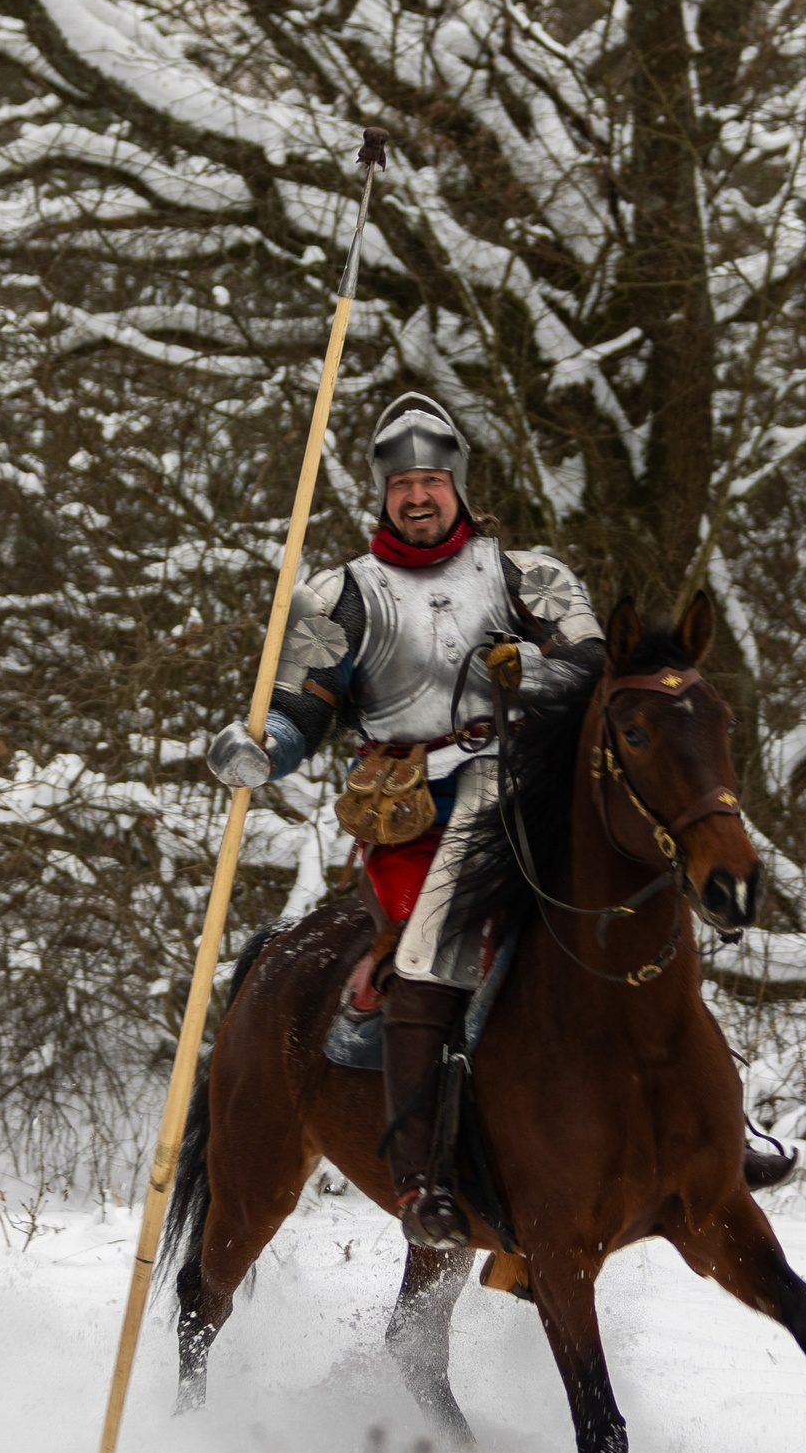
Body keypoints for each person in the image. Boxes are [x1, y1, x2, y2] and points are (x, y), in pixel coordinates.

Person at [208, 395, 604, 1248]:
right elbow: (301, 705)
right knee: (431, 953)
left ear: (457, 485)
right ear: (382, 492)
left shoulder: (527, 578)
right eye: (402, 485)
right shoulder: (341, 594)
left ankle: (705, 1128)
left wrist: (528, 669)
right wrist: (260, 749)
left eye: (431, 481)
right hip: (412, 813)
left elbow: (597, 674)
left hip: (526, 794)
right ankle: (426, 1179)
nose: (417, 496)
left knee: (623, 914)